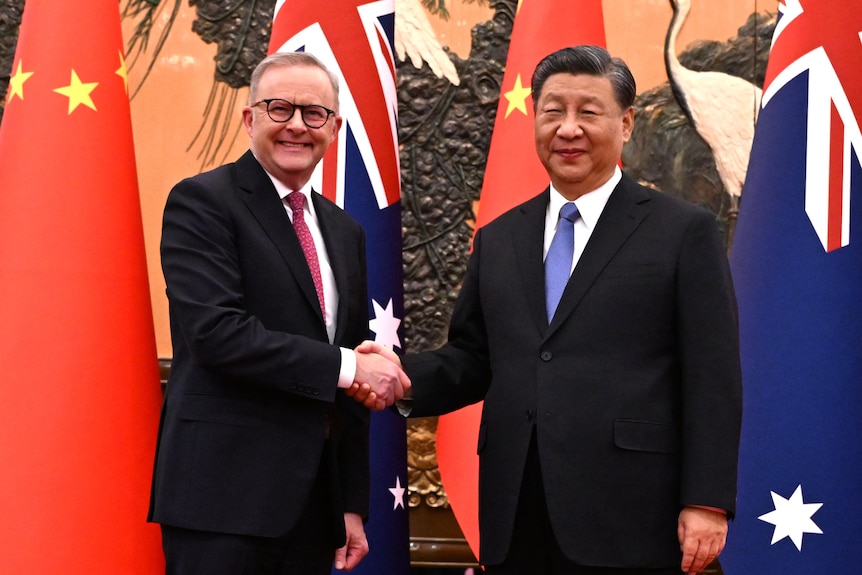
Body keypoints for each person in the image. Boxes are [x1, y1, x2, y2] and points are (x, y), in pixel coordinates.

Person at [357, 45, 742, 574]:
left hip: (632, 515)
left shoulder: (682, 231)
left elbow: (712, 375)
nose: (568, 128)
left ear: (626, 123)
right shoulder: (499, 237)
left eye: (589, 111)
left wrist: (707, 500)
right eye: (553, 111)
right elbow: (472, 358)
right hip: (518, 512)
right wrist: (398, 378)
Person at [148, 51, 409, 575]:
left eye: (313, 114)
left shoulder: (343, 231)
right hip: (222, 502)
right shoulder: (201, 202)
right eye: (278, 108)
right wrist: (353, 368)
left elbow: (348, 372)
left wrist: (350, 501)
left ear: (333, 128)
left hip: (313, 507)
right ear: (250, 119)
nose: (296, 125)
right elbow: (218, 335)